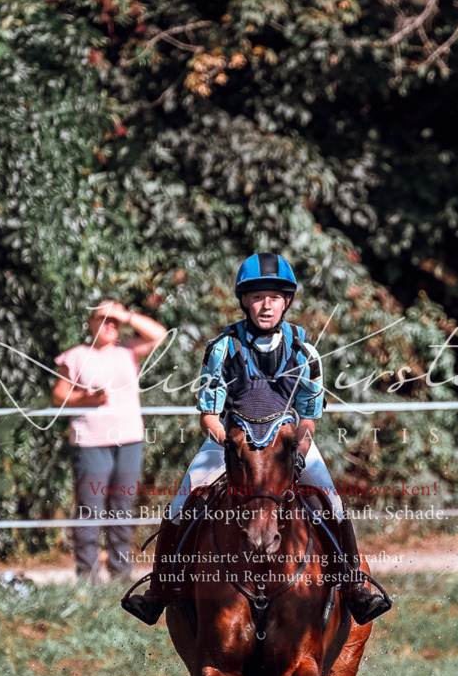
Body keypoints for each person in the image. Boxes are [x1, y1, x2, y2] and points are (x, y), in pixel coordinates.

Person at [122, 252, 391, 625]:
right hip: (231, 442)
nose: (267, 305)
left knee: (332, 502)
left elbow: (309, 418)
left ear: (287, 302)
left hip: (286, 444)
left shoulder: (305, 352)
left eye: (275, 297)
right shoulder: (222, 348)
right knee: (180, 504)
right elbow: (208, 417)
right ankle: (159, 590)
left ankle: (354, 588)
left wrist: (299, 446)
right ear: (245, 301)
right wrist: (231, 443)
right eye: (258, 296)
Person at [52, 300, 167, 581]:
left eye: (115, 321)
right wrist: (87, 399)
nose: (111, 325)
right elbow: (58, 396)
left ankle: (121, 572)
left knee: (122, 507)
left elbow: (160, 335)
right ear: (90, 323)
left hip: (128, 440)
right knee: (89, 508)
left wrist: (126, 314)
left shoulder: (128, 351)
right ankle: (87, 574)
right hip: (90, 441)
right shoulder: (75, 356)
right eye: (103, 319)